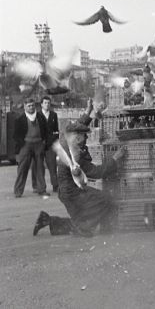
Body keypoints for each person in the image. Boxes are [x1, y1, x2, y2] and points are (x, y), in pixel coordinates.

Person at [33, 99, 126, 237]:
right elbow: (96, 172)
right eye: (84, 136)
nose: (86, 138)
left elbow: (77, 126)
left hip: (67, 191)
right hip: (73, 193)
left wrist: (88, 111)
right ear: (76, 138)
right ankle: (86, 228)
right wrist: (115, 159)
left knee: (81, 217)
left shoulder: (66, 139)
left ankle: (47, 220)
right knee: (105, 200)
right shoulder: (75, 155)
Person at [13, 98, 49, 197]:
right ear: (25, 107)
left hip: (38, 144)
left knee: (40, 168)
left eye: (32, 105)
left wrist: (43, 142)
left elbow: (46, 131)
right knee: (22, 168)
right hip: (26, 145)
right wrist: (22, 143)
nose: (31, 107)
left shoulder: (40, 117)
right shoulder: (20, 119)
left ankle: (41, 189)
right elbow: (15, 135)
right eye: (29, 106)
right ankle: (18, 191)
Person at [31, 96, 59, 193]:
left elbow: (56, 130)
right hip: (39, 144)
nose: (47, 105)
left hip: (50, 145)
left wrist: (54, 139)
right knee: (38, 166)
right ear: (41, 104)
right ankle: (39, 187)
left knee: (52, 165)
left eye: (48, 103)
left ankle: (55, 185)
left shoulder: (54, 115)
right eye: (45, 103)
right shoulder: (37, 115)